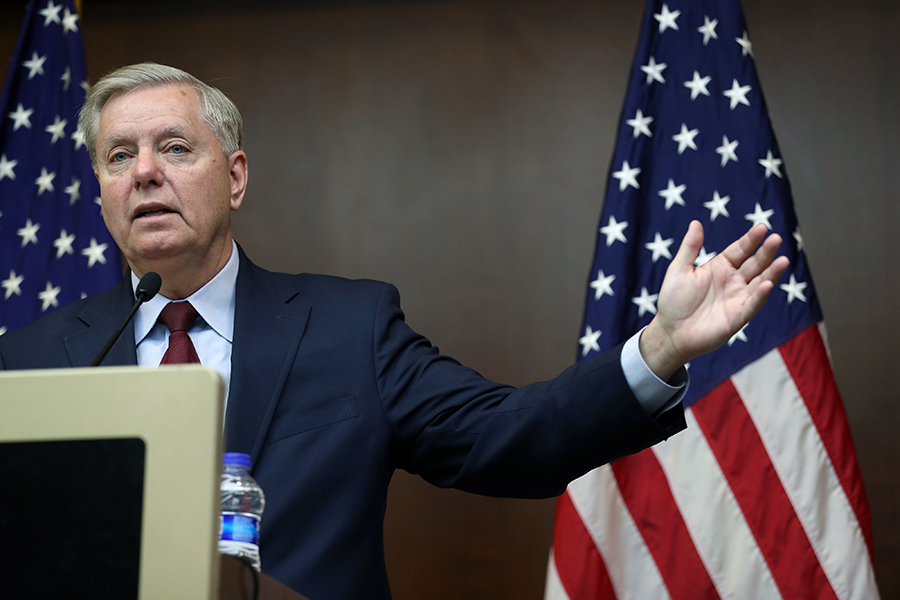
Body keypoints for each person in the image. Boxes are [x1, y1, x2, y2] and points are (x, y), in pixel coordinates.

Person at [0, 63, 789, 599]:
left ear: (234, 177)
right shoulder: (29, 363)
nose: (145, 172)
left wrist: (660, 348)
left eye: (175, 148)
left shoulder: (349, 329)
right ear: (100, 194)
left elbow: (509, 439)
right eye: (118, 157)